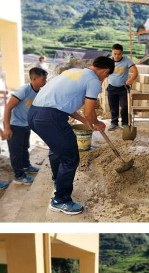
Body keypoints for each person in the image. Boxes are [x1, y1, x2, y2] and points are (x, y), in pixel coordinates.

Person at [29, 56, 114, 215]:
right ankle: (60, 200)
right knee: (70, 157)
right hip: (50, 118)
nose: (104, 80)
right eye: (106, 77)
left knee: (57, 149)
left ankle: (58, 181)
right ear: (105, 71)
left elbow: (64, 103)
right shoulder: (93, 81)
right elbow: (90, 111)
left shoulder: (73, 72)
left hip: (34, 114)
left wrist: (85, 120)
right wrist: (97, 123)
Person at [2, 67, 48, 185]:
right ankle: (19, 175)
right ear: (33, 79)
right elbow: (8, 107)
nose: (45, 81)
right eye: (43, 79)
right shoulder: (23, 90)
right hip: (14, 124)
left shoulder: (39, 91)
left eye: (45, 79)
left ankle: (26, 166)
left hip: (25, 124)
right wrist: (7, 127)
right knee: (16, 151)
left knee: (24, 147)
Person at [107, 44, 138, 131]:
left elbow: (135, 72)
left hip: (123, 88)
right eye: (115, 54)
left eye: (119, 54)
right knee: (113, 107)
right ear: (112, 52)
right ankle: (114, 123)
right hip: (111, 88)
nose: (117, 56)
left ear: (122, 53)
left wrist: (130, 81)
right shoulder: (108, 61)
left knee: (124, 107)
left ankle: (125, 123)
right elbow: (102, 72)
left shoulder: (127, 60)